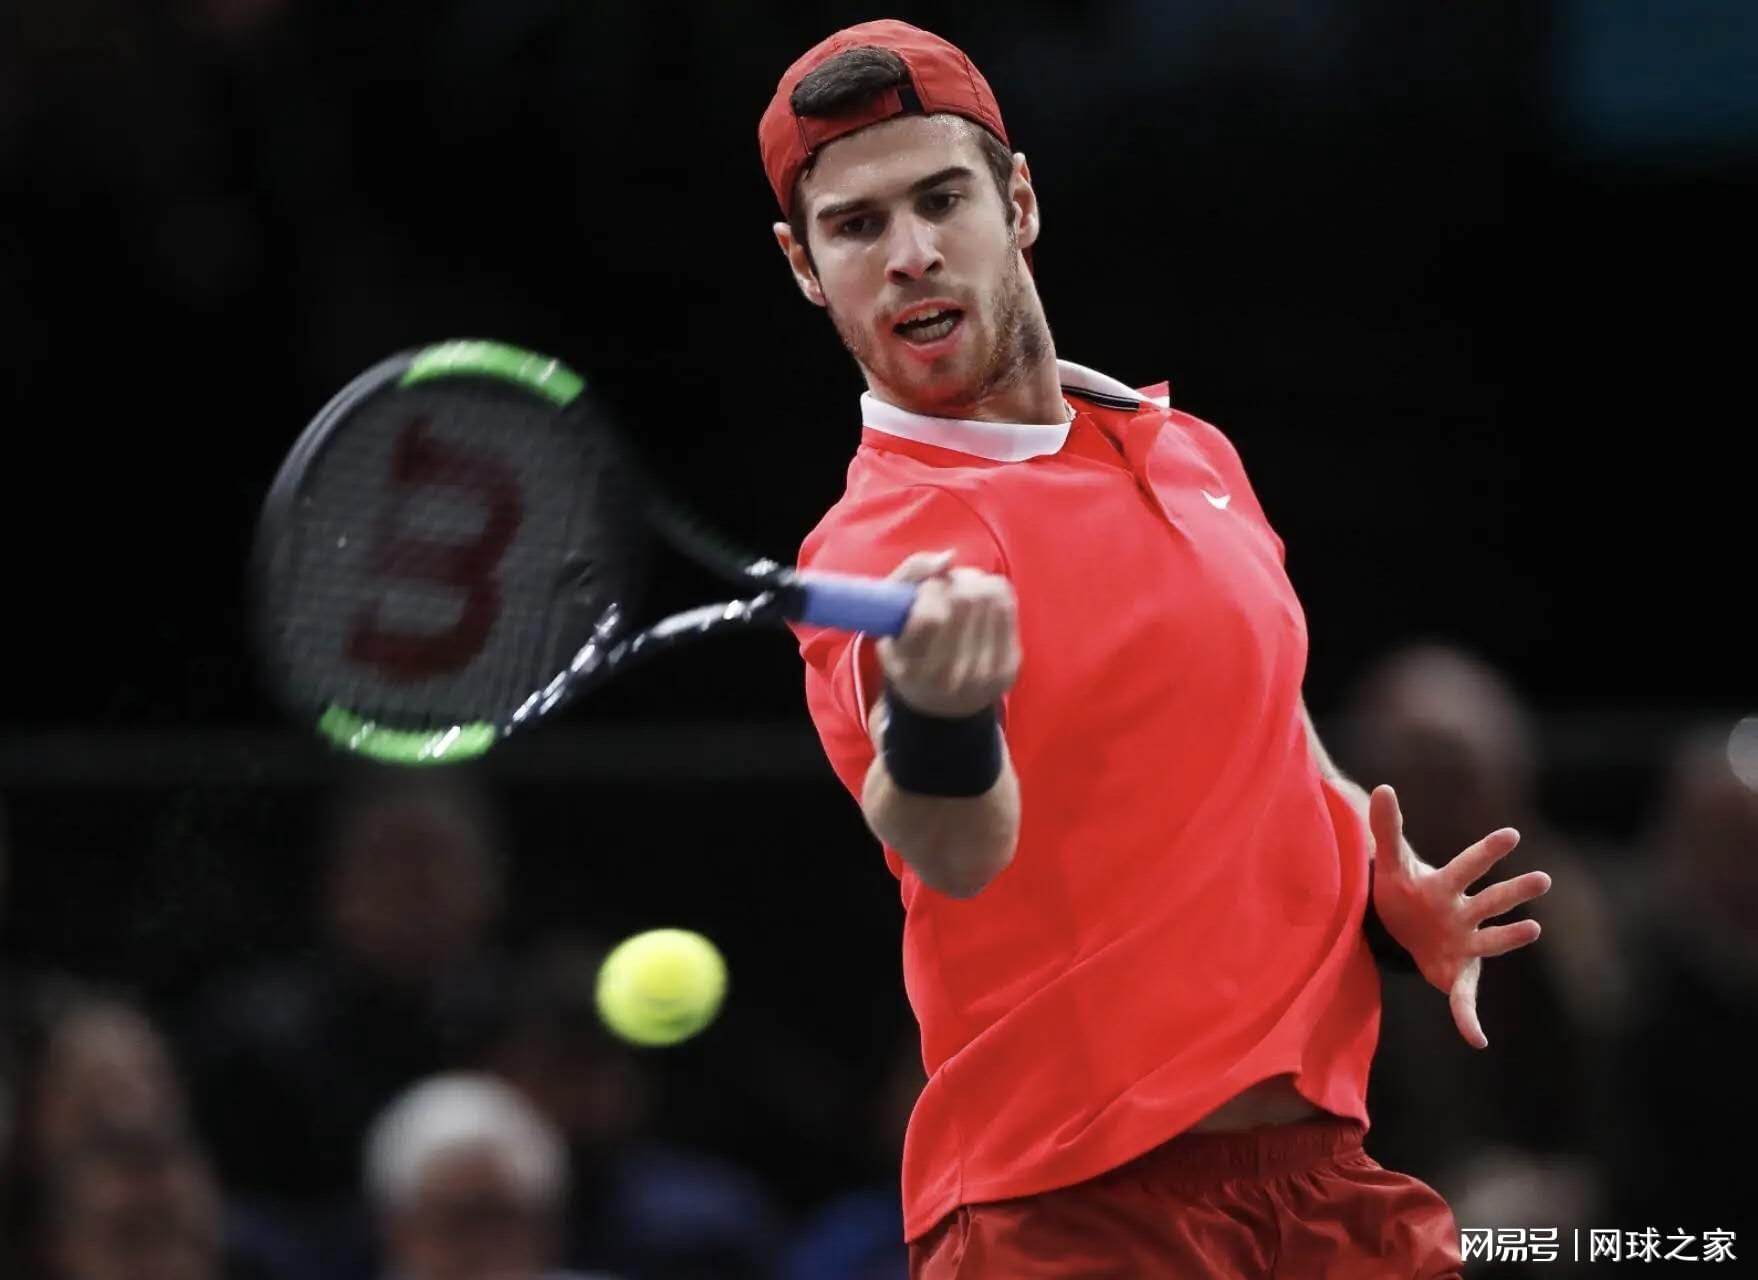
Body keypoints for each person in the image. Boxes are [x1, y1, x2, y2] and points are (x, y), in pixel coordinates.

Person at [761, 20, 1553, 1277]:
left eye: (941, 199)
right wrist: (946, 714)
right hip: (1064, 1215)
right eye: (857, 226)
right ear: (806, 267)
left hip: (1328, 1186)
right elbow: (952, 846)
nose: (909, 253)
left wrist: (1370, 866)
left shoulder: (1188, 451)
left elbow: (1274, 719)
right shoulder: (884, 548)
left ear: (1019, 203)